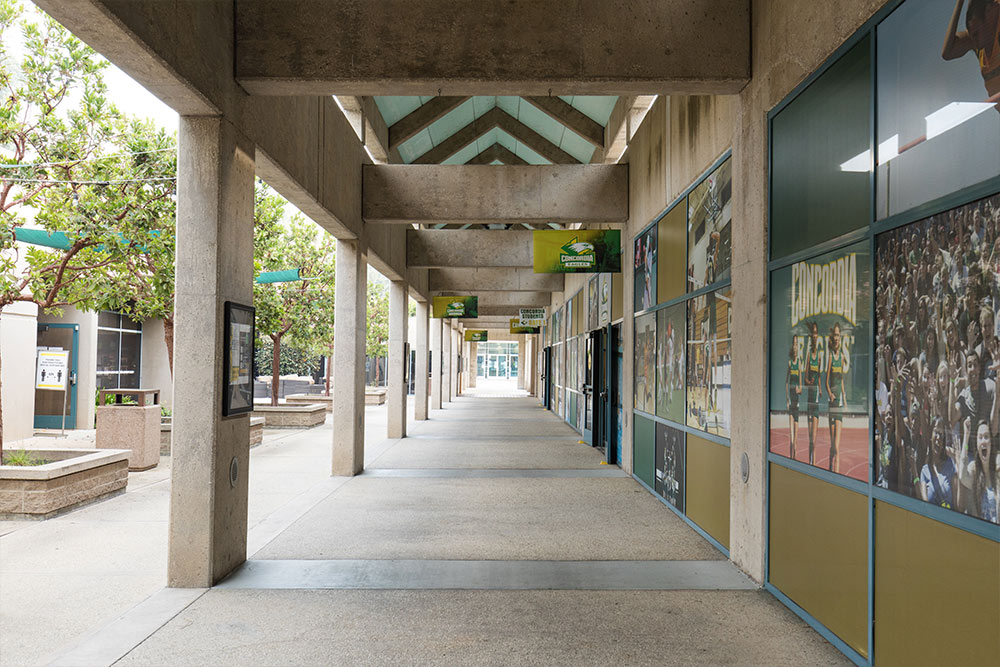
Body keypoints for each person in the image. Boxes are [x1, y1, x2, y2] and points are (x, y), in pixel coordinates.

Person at [943, 0, 1000, 103]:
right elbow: (948, 53)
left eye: (976, 34)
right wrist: (959, 4)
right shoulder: (976, 39)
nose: (976, 42)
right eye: (973, 35)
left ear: (989, 11)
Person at [918, 417, 957, 509]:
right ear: (930, 436)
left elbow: (957, 506)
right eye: (936, 432)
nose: (938, 438)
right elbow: (924, 506)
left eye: (941, 434)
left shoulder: (951, 466)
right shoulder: (924, 471)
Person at [826, 323, 847, 473]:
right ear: (832, 338)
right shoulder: (830, 358)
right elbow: (826, 380)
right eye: (835, 335)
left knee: (838, 447)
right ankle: (829, 466)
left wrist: (844, 397)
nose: (837, 338)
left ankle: (836, 474)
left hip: (839, 403)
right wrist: (830, 393)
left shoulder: (842, 357)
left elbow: (841, 380)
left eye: (839, 335)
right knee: (833, 445)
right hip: (831, 402)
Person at [804, 321, 822, 466]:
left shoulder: (820, 356)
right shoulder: (809, 355)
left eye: (816, 333)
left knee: (814, 438)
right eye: (813, 333)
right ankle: (810, 460)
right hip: (810, 395)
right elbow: (805, 376)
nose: (815, 336)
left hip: (816, 396)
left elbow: (820, 376)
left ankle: (813, 462)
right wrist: (808, 382)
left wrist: (820, 388)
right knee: (810, 435)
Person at [786, 341, 803, 461]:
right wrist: (787, 399)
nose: (795, 351)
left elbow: (801, 383)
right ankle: (791, 446)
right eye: (794, 349)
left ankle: (795, 448)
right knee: (791, 424)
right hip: (791, 397)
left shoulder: (799, 363)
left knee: (797, 423)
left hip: (797, 398)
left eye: (797, 349)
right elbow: (786, 382)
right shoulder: (790, 363)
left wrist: (800, 389)